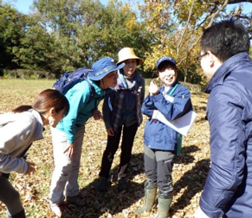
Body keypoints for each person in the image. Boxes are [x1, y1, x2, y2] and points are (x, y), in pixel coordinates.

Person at [195, 19, 252, 218]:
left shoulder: (225, 91)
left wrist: (205, 210)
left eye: (200, 57)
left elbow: (227, 169)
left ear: (210, 57)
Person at [49, 57, 124, 217]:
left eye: (116, 74)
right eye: (112, 75)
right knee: (64, 165)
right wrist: (70, 140)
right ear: (102, 77)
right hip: (63, 127)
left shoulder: (103, 89)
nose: (116, 78)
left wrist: (93, 111)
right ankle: (55, 200)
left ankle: (73, 193)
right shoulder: (83, 90)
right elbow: (68, 118)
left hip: (78, 126)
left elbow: (88, 104)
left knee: (74, 163)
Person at [135, 56, 193, 218]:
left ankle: (162, 213)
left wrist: (157, 98)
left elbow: (173, 113)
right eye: (162, 70)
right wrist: (155, 99)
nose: (167, 74)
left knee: (163, 180)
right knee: (150, 175)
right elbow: (145, 107)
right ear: (158, 75)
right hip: (150, 139)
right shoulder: (158, 89)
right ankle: (148, 206)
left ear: (176, 71)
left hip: (166, 143)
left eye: (170, 69)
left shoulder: (182, 92)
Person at [0, 89, 69, 218]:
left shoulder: (30, 118)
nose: (62, 119)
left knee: (12, 198)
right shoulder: (27, 123)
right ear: (52, 111)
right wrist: (23, 166)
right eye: (63, 114)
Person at [98, 47, 145, 192]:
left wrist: (139, 118)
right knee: (111, 149)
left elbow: (141, 101)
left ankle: (122, 176)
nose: (130, 66)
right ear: (121, 65)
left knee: (127, 148)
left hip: (132, 121)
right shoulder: (114, 80)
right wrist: (107, 124)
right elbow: (107, 106)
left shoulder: (140, 81)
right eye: (126, 62)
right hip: (115, 121)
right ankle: (103, 177)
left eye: (133, 62)